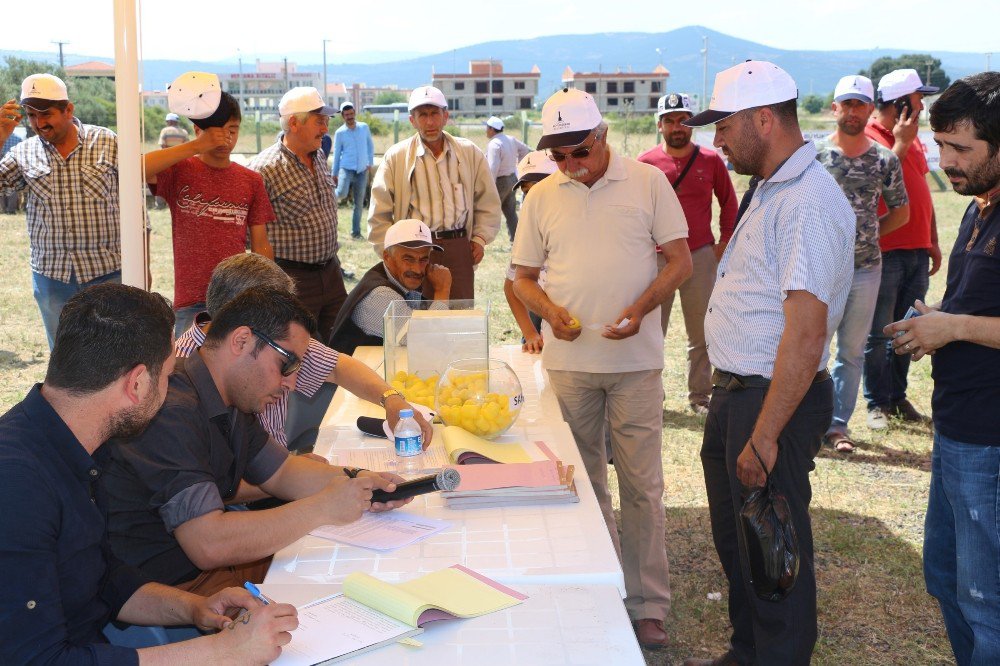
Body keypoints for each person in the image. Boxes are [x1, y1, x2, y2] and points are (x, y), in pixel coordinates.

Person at [0, 283, 297, 664]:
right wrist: (222, 651)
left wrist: (193, 607)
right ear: (138, 383)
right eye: (167, 377)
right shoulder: (18, 486)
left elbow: (101, 577)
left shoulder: (73, 443)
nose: (168, 390)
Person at [681, 61, 854, 666]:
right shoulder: (773, 184)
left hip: (768, 400)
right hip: (739, 394)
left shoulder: (807, 198)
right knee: (741, 547)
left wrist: (764, 434)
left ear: (762, 119)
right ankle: (747, 652)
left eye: (723, 126)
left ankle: (777, 657)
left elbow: (806, 335)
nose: (716, 140)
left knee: (773, 556)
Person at [512, 87, 692, 649]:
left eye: (577, 154)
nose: (568, 166)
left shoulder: (648, 182)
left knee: (642, 487)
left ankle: (646, 606)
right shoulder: (543, 195)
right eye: (558, 156)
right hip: (569, 367)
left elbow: (681, 261)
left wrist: (640, 310)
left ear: (602, 137)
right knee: (582, 485)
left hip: (636, 364)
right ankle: (597, 591)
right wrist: (549, 315)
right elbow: (520, 276)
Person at [100, 286, 412, 597]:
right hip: (172, 590)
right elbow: (209, 544)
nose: (289, 382)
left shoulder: (228, 398)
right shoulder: (173, 411)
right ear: (241, 341)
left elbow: (283, 472)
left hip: (209, 575)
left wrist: (361, 482)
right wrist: (323, 508)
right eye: (286, 365)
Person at [886, 72, 1000, 666]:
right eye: (940, 146)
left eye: (961, 150)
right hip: (957, 429)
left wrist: (953, 327)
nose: (946, 162)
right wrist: (934, 321)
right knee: (945, 577)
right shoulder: (979, 207)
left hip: (991, 443)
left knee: (987, 601)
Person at [176, 253, 433, 449]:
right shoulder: (182, 377)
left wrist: (392, 399)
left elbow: (337, 366)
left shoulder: (272, 338)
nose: (292, 380)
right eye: (285, 364)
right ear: (242, 333)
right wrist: (291, 474)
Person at [814, 75, 910, 453]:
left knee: (851, 351)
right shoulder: (815, 156)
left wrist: (866, 236)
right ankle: (807, 421)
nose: (853, 111)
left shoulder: (884, 159)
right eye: (846, 104)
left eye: (860, 104)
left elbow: (900, 212)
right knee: (813, 346)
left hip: (865, 269)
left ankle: (837, 427)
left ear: (870, 109)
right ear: (834, 107)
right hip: (819, 268)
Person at [0, 74, 122, 350]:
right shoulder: (23, 153)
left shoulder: (106, 142)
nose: (39, 123)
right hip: (51, 278)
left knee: (115, 356)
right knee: (65, 361)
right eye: (31, 115)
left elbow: (134, 203)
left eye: (46, 114)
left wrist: (142, 262)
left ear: (69, 110)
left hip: (109, 273)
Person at [144, 85, 274, 336]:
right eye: (216, 132)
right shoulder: (180, 170)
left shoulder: (251, 180)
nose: (224, 139)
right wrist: (195, 146)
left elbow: (261, 244)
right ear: (197, 130)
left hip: (236, 298)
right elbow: (135, 167)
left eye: (232, 131)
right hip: (189, 303)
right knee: (186, 371)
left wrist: (268, 292)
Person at [638, 92, 738, 415]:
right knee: (654, 330)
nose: (677, 126)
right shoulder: (645, 164)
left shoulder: (710, 161)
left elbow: (729, 204)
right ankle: (653, 394)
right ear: (659, 124)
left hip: (699, 256)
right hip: (657, 258)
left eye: (683, 119)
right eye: (670, 120)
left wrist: (722, 244)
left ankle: (700, 396)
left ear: (692, 123)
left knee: (702, 330)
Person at [368, 85, 501, 300]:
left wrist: (479, 239)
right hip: (414, 250)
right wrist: (393, 257)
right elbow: (379, 214)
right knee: (416, 318)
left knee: (459, 318)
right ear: (412, 120)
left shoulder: (469, 153)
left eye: (434, 114)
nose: (429, 122)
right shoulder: (397, 157)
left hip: (459, 247)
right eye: (422, 115)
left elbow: (488, 201)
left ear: (445, 116)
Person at [863, 68, 941, 429]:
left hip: (915, 250)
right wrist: (903, 142)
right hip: (885, 251)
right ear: (899, 104)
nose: (922, 106)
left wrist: (933, 240)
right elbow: (873, 188)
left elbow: (922, 191)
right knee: (879, 332)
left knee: (908, 330)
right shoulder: (867, 137)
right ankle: (876, 403)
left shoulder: (914, 138)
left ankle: (897, 397)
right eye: (917, 99)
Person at [249, 87, 346, 340]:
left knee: (339, 344)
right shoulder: (264, 169)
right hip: (294, 280)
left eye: (326, 121)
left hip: (331, 273)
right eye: (319, 121)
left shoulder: (319, 155)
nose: (325, 129)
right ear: (293, 123)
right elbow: (252, 233)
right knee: (296, 353)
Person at [329, 218, 452, 355]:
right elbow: (426, 339)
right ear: (387, 257)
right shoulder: (380, 295)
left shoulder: (400, 279)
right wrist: (442, 290)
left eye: (424, 259)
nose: (418, 269)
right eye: (408, 259)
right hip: (350, 375)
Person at [503, 150, 556, 354]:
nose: (531, 197)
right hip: (538, 308)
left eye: (539, 188)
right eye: (526, 191)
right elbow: (511, 286)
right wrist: (530, 332)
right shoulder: (528, 229)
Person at [332, 101, 375, 240]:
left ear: (354, 112)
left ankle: (355, 232)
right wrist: (334, 173)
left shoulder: (364, 127)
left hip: (362, 170)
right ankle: (328, 198)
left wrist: (370, 162)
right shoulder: (340, 133)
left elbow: (370, 146)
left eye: (351, 113)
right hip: (346, 168)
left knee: (359, 203)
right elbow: (337, 154)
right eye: (346, 115)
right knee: (342, 193)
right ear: (343, 116)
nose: (349, 116)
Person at [485, 115, 531, 241]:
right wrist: (520, 165)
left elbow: (493, 167)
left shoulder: (494, 144)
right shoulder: (510, 139)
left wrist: (489, 185)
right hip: (512, 178)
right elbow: (525, 149)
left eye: (487, 127)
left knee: (488, 210)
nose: (486, 130)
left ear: (491, 129)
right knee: (510, 212)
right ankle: (517, 240)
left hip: (500, 181)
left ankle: (482, 238)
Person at [1, 130, 23, 213]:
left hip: (1, 164)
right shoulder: (18, 138)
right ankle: (11, 209)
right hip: (13, 165)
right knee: (13, 188)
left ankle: (3, 208)